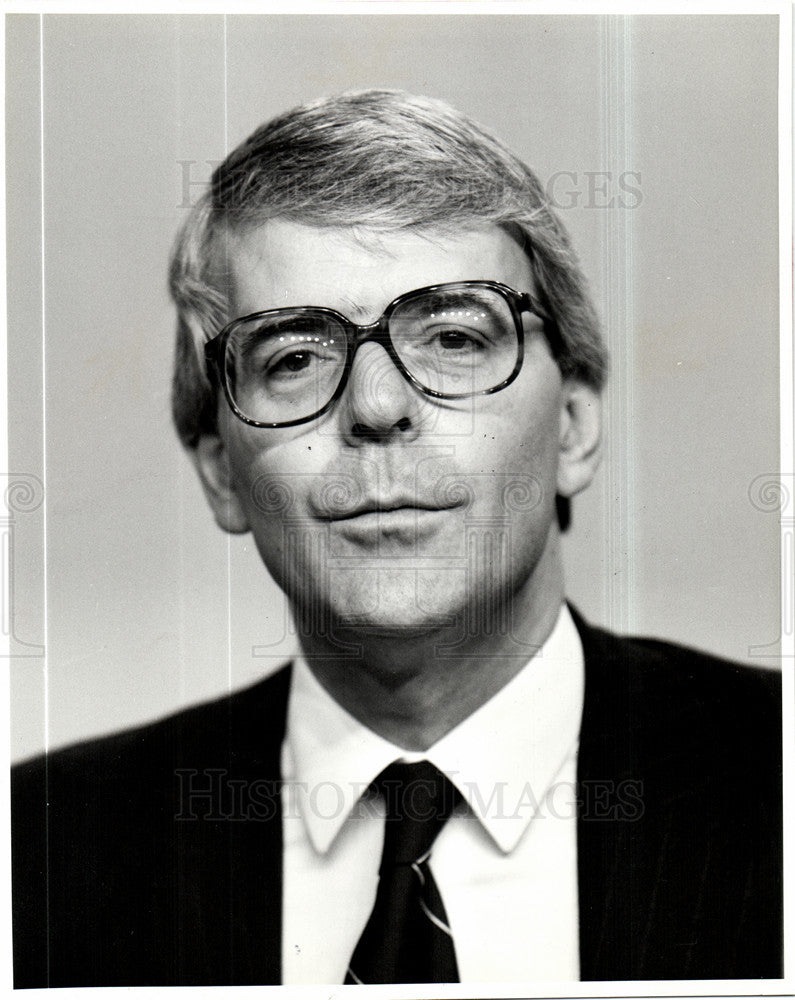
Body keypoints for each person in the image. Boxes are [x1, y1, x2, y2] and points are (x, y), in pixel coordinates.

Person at [12, 90, 782, 987]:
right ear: (220, 470)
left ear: (572, 427)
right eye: (293, 357)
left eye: (454, 337)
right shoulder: (38, 853)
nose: (377, 408)